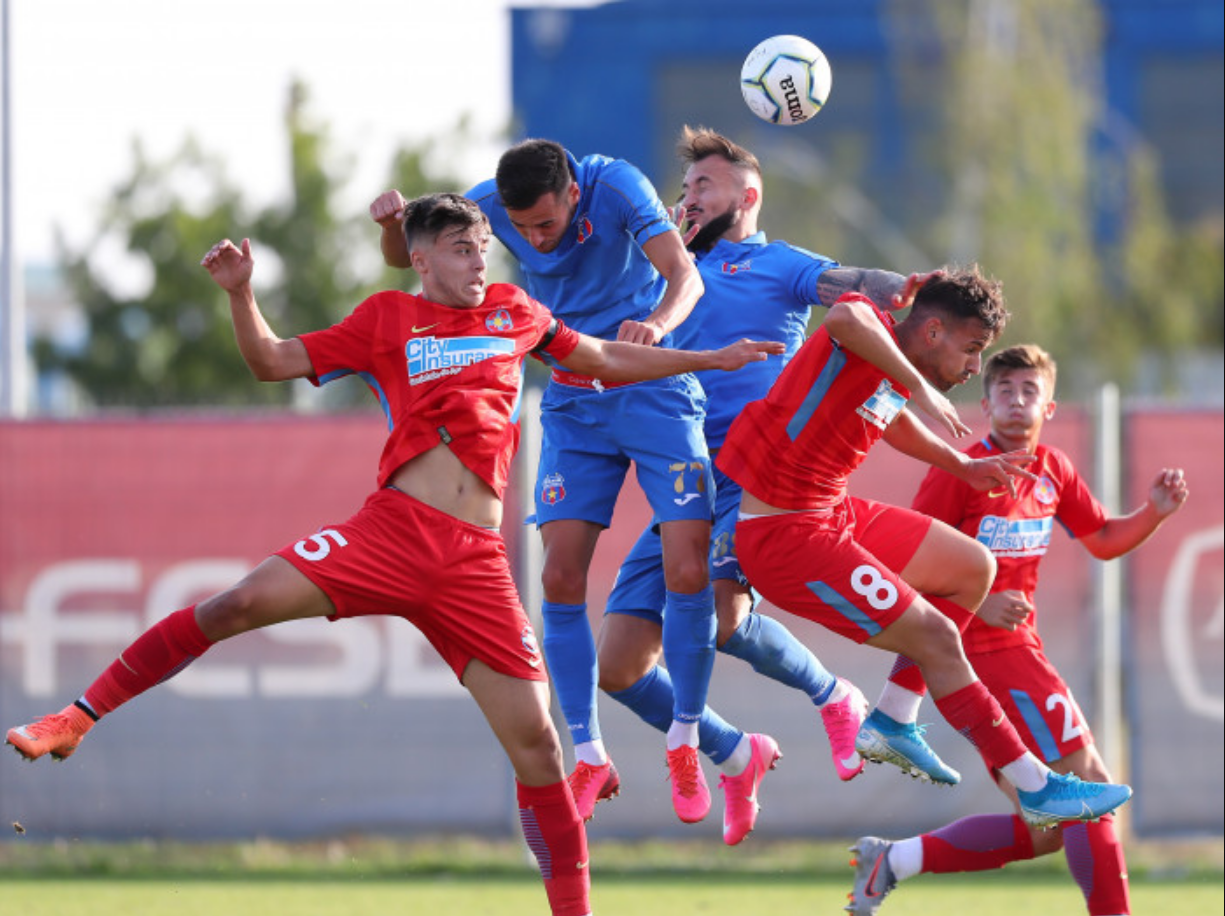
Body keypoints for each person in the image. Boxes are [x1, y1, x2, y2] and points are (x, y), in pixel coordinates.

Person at [5, 193, 781, 916]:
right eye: (461, 248)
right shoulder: (387, 319)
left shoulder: (516, 311)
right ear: (421, 260)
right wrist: (242, 293)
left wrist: (708, 362)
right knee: (235, 604)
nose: (481, 260)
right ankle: (76, 716)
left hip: (474, 562)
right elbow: (272, 362)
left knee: (541, 750)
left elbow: (603, 360)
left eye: (484, 246)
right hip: (389, 534)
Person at [714, 268, 1135, 907]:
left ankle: (894, 717)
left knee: (973, 568)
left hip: (831, 512)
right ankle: (1037, 782)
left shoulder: (886, 368)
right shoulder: (866, 326)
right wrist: (918, 387)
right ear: (931, 329)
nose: (973, 368)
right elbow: (845, 318)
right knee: (939, 635)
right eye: (970, 350)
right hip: (786, 538)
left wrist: (962, 463)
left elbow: (885, 417)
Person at [596, 126, 939, 844]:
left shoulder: (774, 262)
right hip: (681, 474)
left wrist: (903, 287)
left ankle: (832, 695)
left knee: (720, 617)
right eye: (684, 187)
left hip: (750, 475)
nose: (687, 198)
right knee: (619, 665)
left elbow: (851, 284)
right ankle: (734, 751)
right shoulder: (663, 271)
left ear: (746, 197)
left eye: (704, 186)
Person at [371, 139, 720, 825]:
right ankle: (588, 751)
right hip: (570, 395)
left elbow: (686, 277)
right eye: (519, 228)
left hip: (648, 383)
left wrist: (654, 325)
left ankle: (684, 738)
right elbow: (404, 258)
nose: (531, 239)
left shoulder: (618, 184)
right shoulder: (486, 203)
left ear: (572, 197)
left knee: (687, 565)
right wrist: (390, 227)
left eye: (545, 225)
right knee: (559, 580)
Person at [846, 344, 1188, 916]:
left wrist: (1152, 512)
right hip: (982, 652)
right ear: (985, 403)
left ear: (1049, 408)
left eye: (1030, 390)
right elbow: (906, 564)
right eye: (1005, 389)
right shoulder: (962, 471)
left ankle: (894, 861)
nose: (1017, 400)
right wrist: (977, 605)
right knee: (1088, 785)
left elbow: (1102, 539)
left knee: (1048, 825)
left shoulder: (1053, 469)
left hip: (1012, 654)